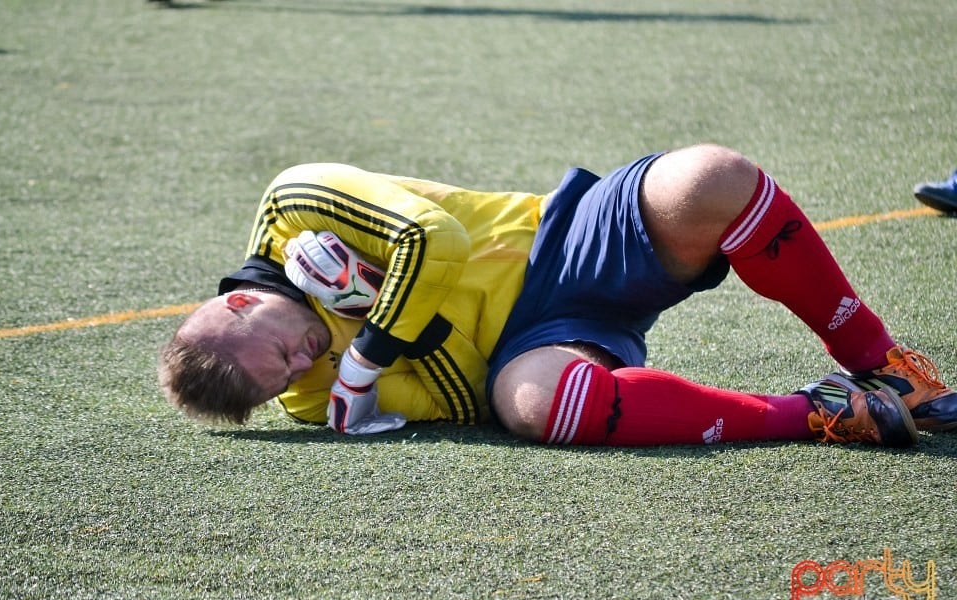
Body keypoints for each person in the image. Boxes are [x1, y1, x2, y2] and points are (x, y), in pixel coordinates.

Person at [158, 144, 957, 448]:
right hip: (532, 349)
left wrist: (367, 352)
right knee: (539, 406)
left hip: (559, 240)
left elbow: (438, 241)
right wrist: (378, 315)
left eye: (284, 350)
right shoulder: (310, 396)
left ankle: (885, 364)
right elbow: (463, 395)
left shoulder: (294, 199)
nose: (309, 363)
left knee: (710, 178)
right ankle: (819, 409)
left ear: (238, 304)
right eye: (285, 380)